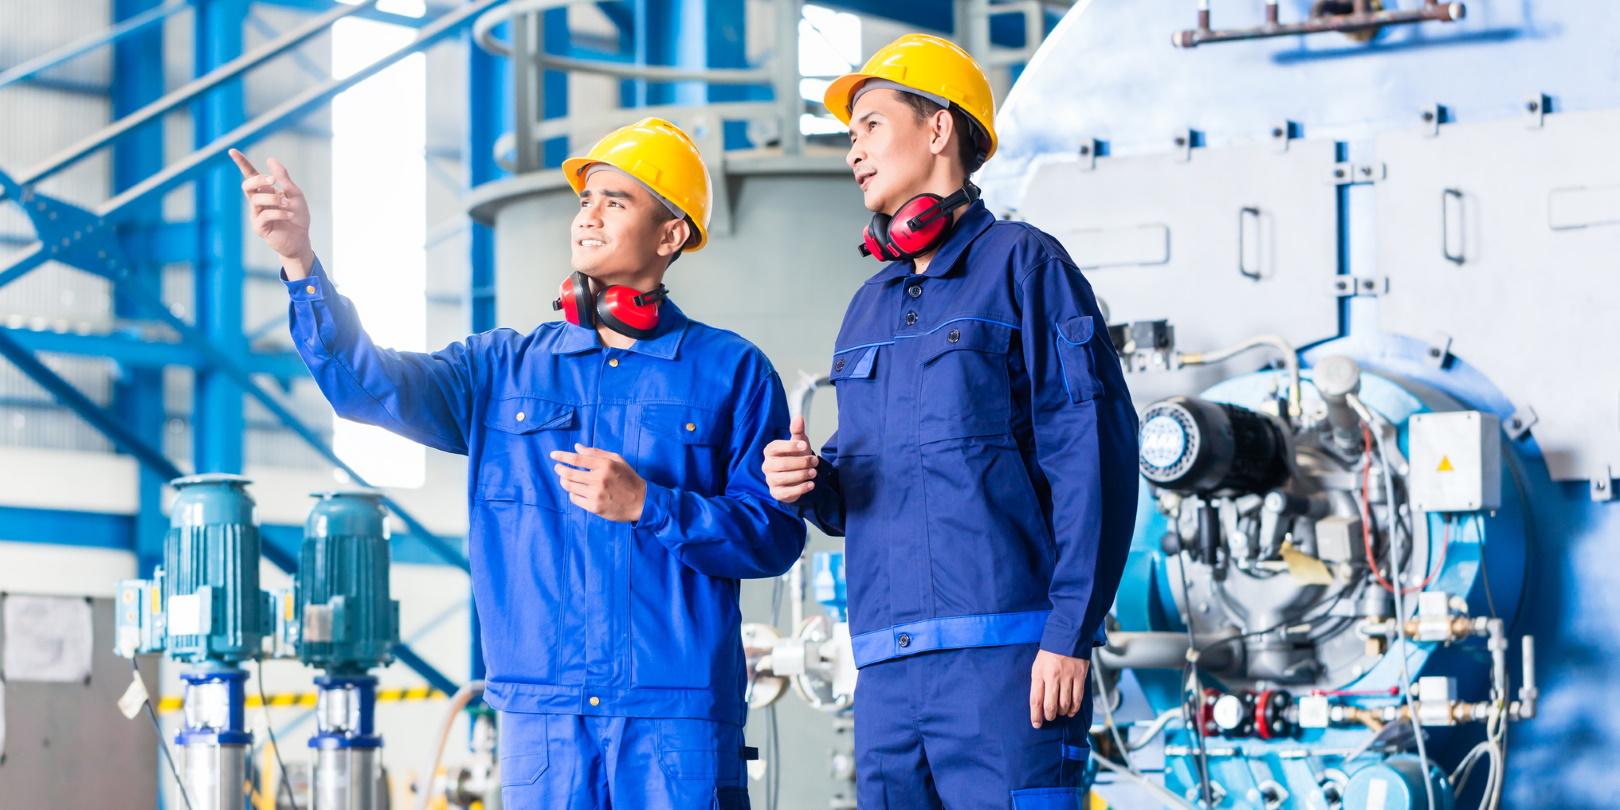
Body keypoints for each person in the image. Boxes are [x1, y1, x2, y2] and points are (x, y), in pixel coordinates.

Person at [232, 117, 805, 810]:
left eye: (615, 202)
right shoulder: (499, 370)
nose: (588, 217)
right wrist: (300, 262)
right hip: (544, 722)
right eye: (585, 200)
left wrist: (650, 505)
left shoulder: (731, 372)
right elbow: (365, 388)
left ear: (670, 234)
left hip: (674, 720)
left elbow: (772, 535)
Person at [761, 35, 1140, 810]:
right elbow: (855, 485)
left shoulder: (1025, 264)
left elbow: (1092, 453)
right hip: (888, 672)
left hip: (1008, 665)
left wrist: (1069, 634)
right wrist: (807, 483)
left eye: (868, 125)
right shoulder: (868, 304)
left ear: (938, 130)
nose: (852, 152)